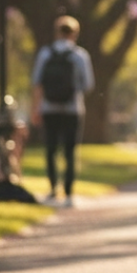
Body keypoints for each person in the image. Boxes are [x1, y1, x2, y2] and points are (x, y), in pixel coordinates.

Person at [31, 15, 95, 207]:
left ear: (57, 32)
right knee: (70, 151)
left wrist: (36, 108)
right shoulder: (80, 55)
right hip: (72, 109)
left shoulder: (45, 53)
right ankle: (68, 194)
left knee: (50, 150)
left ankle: (52, 191)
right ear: (75, 33)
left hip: (48, 108)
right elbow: (88, 84)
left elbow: (37, 83)